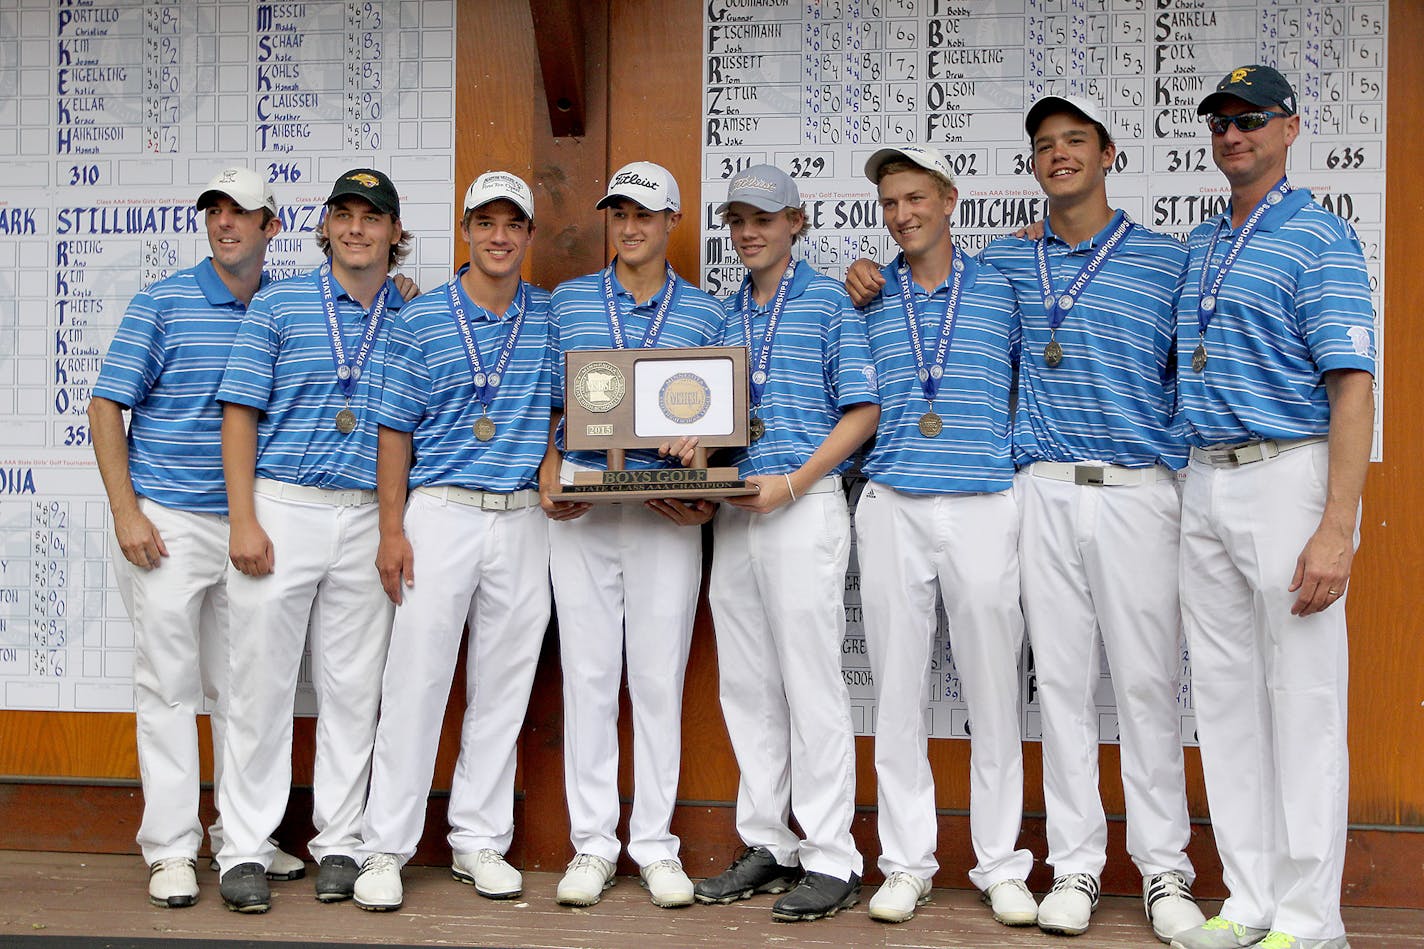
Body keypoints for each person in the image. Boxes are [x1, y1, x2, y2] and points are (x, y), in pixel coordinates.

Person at [847, 94, 1205, 943]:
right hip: (1037, 485)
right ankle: (1075, 865)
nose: (1059, 155)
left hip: (1134, 487)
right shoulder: (1006, 265)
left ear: (1109, 153)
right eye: (1044, 145)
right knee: (1065, 692)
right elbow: (902, 283)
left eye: (1074, 141)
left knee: (1148, 685)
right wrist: (862, 274)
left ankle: (1165, 873)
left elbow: (1192, 371)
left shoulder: (1167, 259)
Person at [1168, 66, 1374, 949]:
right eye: (1218, 121)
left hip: (1290, 471)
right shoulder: (1204, 243)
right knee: (1222, 700)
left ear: (1291, 127)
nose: (1232, 134)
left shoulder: (1320, 236)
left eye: (1250, 119)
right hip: (1204, 477)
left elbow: (1354, 383)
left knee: (1304, 699)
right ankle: (1248, 900)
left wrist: (1337, 527)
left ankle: (1308, 918)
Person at [89, 167, 304, 908]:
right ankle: (173, 848)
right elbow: (105, 404)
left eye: (242, 212)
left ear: (271, 226)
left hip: (254, 520)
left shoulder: (288, 303)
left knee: (246, 689)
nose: (225, 222)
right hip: (169, 523)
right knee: (170, 688)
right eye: (215, 209)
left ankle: (241, 837)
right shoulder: (164, 301)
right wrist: (126, 510)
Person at [678, 164, 878, 922]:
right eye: (737, 219)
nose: (748, 231)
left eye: (763, 216)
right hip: (738, 511)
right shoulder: (725, 320)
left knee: (811, 685)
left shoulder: (830, 302)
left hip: (802, 505)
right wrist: (699, 462)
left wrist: (792, 482)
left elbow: (863, 412)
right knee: (748, 686)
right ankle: (768, 839)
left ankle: (832, 853)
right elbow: (717, 427)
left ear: (797, 221)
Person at [350, 172, 551, 912]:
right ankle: (385, 847)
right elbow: (393, 429)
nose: (499, 236)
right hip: (440, 509)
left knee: (503, 684)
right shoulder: (422, 318)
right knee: (416, 682)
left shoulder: (551, 315)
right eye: (485, 222)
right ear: (465, 230)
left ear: (528, 235)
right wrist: (391, 529)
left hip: (525, 515)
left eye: (513, 224)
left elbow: (567, 410)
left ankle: (478, 838)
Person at [214, 168, 412, 913]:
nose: (357, 228)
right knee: (259, 684)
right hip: (284, 504)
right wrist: (243, 517)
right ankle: (243, 847)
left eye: (373, 217)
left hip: (368, 511)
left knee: (354, 689)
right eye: (344, 215)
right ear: (325, 226)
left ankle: (340, 841)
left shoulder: (413, 313)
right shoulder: (279, 304)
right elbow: (239, 415)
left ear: (395, 232)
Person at [850, 146, 1038, 927]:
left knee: (995, 692)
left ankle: (999, 863)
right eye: (891, 202)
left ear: (950, 198)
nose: (902, 215)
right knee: (896, 691)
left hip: (987, 499)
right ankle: (906, 862)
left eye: (916, 198)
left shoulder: (1006, 281)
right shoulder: (862, 294)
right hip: (892, 499)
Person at [539, 161, 723, 909]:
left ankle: (653, 844)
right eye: (618, 212)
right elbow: (542, 399)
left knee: (656, 680)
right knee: (586, 677)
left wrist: (705, 471)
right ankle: (592, 844)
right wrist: (549, 467)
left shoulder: (707, 313)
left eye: (644, 213)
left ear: (672, 220)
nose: (630, 226)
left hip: (662, 513)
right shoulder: (569, 301)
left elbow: (724, 416)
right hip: (583, 507)